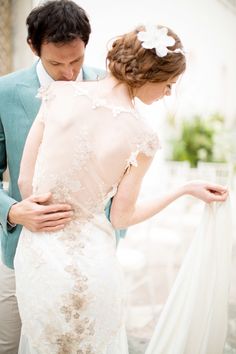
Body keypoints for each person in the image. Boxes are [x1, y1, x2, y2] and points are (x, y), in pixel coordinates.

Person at [14, 23, 228, 353]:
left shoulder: (57, 95)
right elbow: (121, 218)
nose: (167, 93)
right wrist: (182, 189)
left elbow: (25, 183)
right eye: (168, 85)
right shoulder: (143, 137)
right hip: (95, 262)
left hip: (40, 257)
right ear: (150, 75)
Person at [0, 1, 116, 353]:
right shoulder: (3, 93)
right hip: (20, 247)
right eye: (55, 63)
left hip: (92, 252)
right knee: (9, 342)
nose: (68, 73)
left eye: (76, 61)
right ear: (33, 48)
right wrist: (11, 211)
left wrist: (111, 232)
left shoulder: (110, 87)